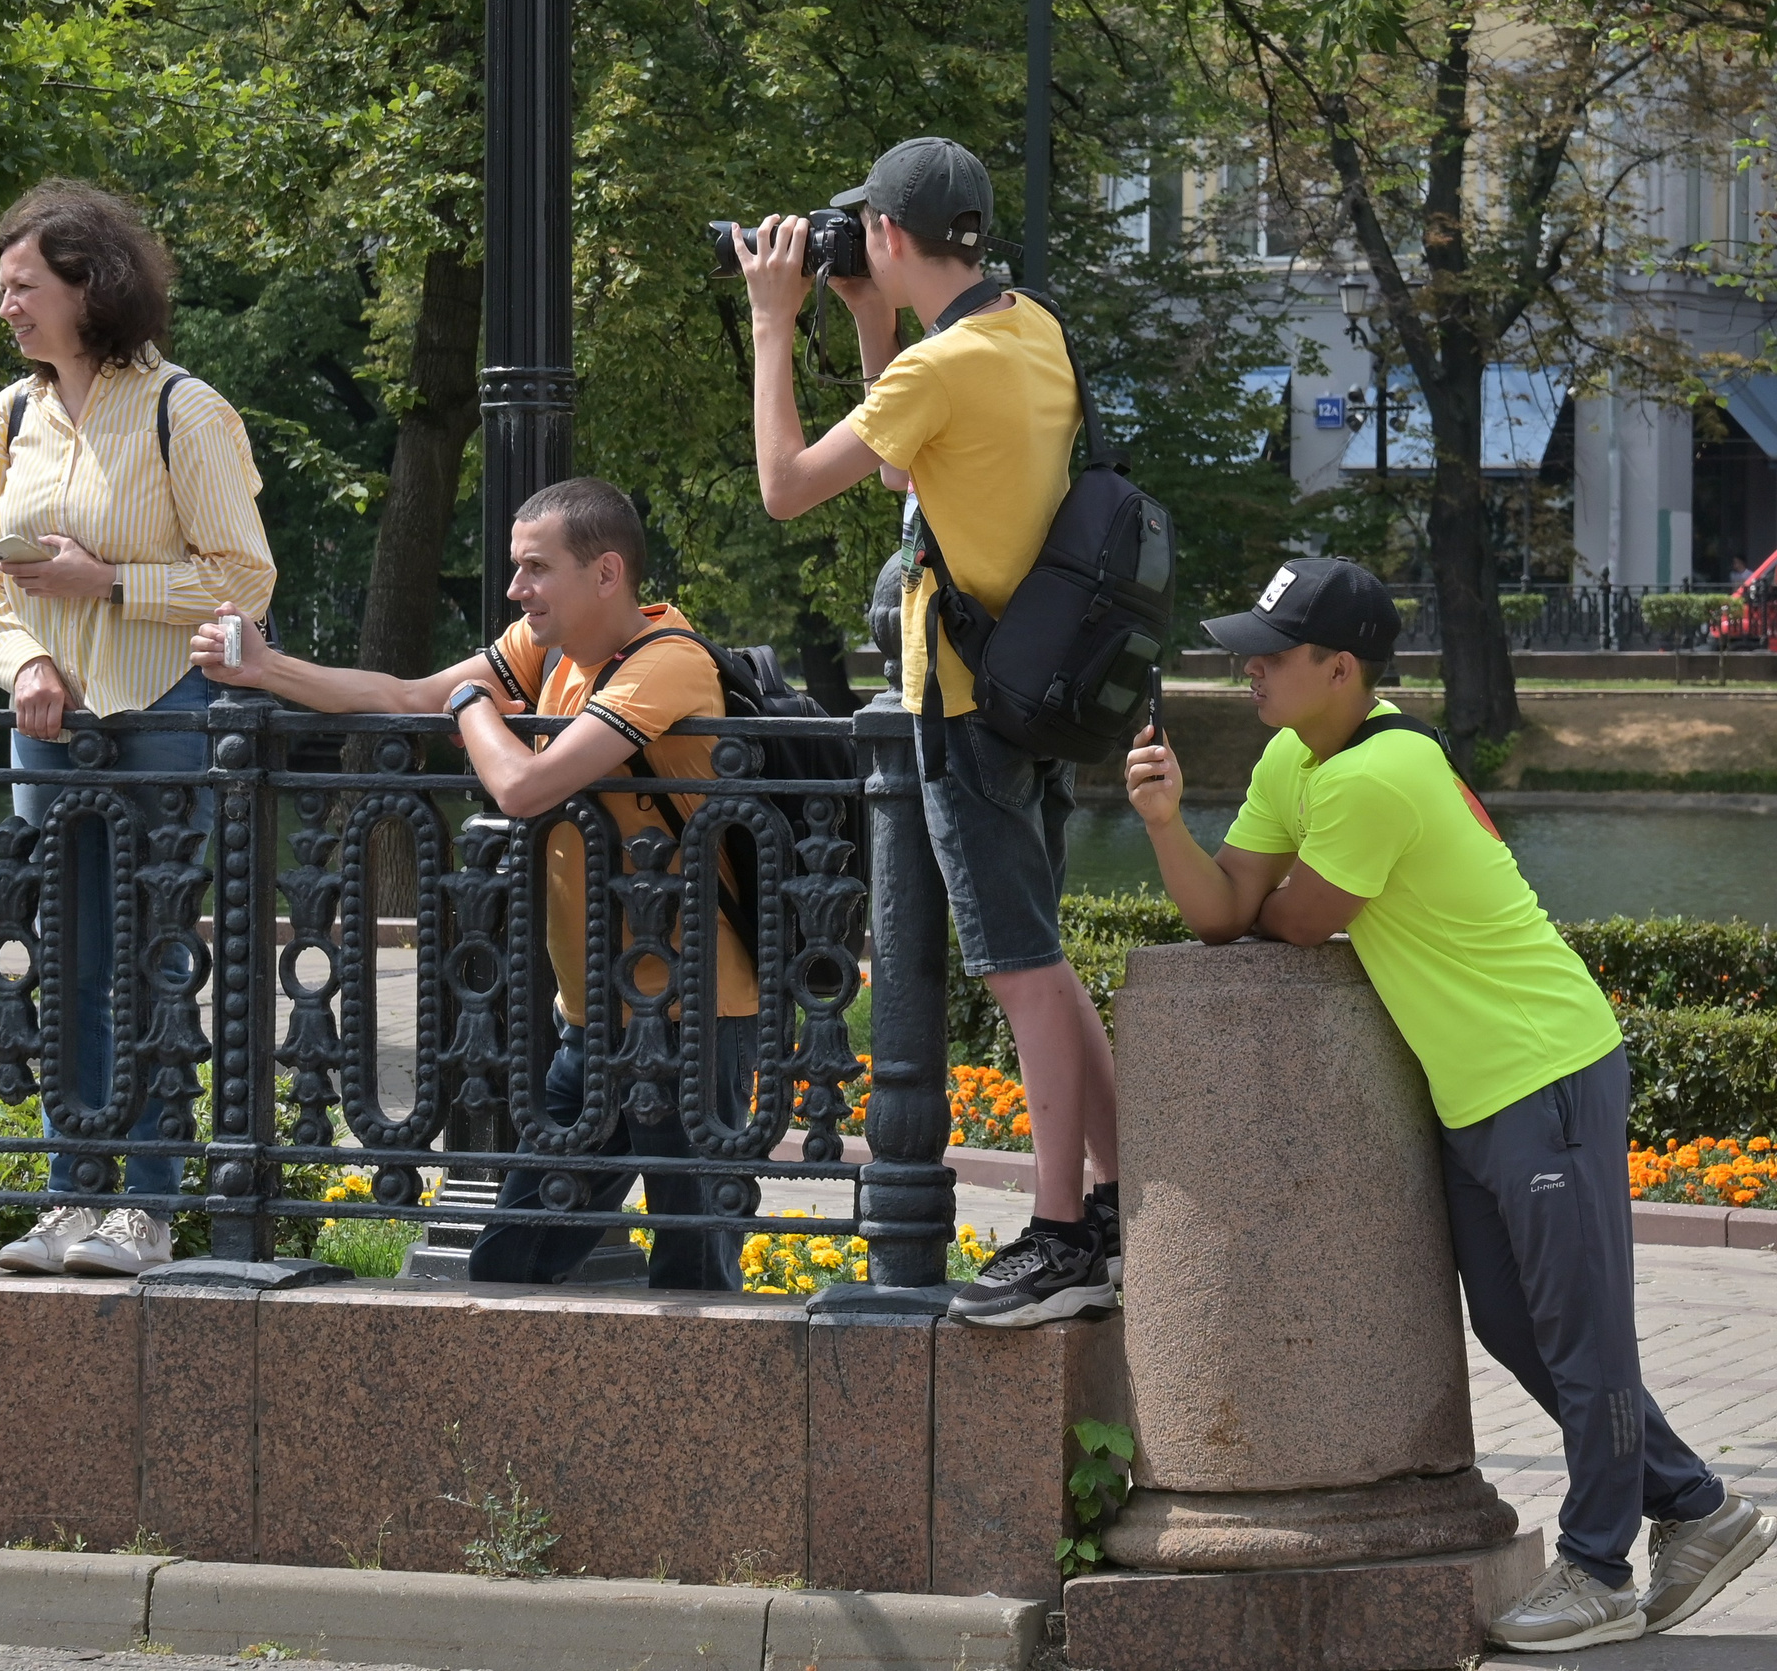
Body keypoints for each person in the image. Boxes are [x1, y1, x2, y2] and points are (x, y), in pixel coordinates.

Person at [1124, 556, 1774, 1653]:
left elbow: (1291, 920)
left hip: (1544, 1068)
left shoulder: (1377, 778)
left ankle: (1599, 1568)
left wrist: (1261, 881)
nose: (1249, 673)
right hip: (1475, 1089)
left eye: (1271, 657)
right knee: (1515, 1324)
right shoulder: (1297, 756)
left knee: (1584, 1336)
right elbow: (1225, 910)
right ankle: (1701, 1508)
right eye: (1248, 654)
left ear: (1340, 667)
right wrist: (1160, 822)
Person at [188, 476, 758, 1289]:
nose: (516, 588)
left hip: (691, 1021)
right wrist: (266, 665)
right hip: (592, 1023)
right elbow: (400, 696)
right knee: (509, 1264)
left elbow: (524, 786)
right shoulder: (548, 647)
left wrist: (470, 704)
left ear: (605, 573)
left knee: (694, 1277)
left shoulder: (670, 664)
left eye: (535, 568)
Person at [737, 135, 1120, 1325]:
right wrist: (865, 320)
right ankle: (1113, 1200)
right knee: (1045, 964)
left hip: (964, 705)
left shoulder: (939, 372)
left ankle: (1059, 1237)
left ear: (891, 236)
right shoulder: (1027, 330)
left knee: (1022, 973)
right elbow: (919, 471)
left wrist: (769, 321)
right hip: (1040, 691)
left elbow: (787, 483)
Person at [0, 178, 277, 1277]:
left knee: (153, 965)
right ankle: (71, 1197)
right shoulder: (9, 417)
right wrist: (25, 657)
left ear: (90, 284)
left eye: (24, 284)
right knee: (67, 968)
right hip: (49, 729)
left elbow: (245, 580)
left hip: (164, 718)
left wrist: (110, 582)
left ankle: (147, 1207)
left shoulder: (187, 410)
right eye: (3, 287)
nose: (7, 306)